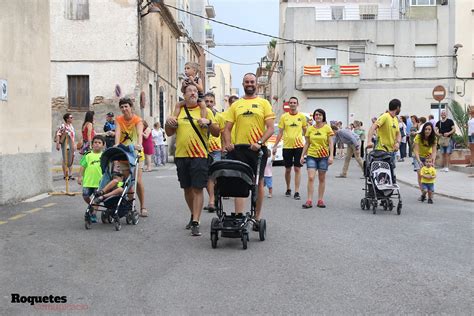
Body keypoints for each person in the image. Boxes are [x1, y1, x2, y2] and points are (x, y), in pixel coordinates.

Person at [165, 85, 219, 236]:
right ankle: (193, 214)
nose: (193, 93)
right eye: (190, 91)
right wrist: (168, 123)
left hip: (200, 155)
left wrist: (208, 123)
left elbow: (216, 132)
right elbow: (169, 133)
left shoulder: (206, 111)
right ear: (184, 94)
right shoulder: (179, 111)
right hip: (181, 155)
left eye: (195, 91)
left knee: (197, 188)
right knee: (187, 188)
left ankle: (196, 220)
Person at [223, 73, 275, 230]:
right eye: (247, 82)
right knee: (239, 182)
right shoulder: (235, 105)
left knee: (258, 183)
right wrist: (228, 143)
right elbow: (226, 129)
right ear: (243, 84)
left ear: (256, 84)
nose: (250, 84)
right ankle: (238, 217)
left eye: (252, 81)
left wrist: (259, 143)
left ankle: (257, 217)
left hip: (257, 150)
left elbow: (271, 128)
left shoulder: (263, 103)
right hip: (239, 149)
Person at [114, 97, 148, 217]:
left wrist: (139, 145)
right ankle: (130, 205)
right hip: (123, 153)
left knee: (138, 181)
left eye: (126, 106)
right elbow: (117, 133)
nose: (124, 109)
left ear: (131, 107)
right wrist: (116, 145)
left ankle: (143, 206)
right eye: (122, 107)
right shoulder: (118, 119)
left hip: (136, 153)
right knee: (128, 182)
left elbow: (139, 134)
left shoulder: (137, 120)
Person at [272, 96, 307, 200]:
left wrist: (309, 144)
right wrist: (275, 145)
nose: (292, 104)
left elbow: (306, 133)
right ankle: (288, 188)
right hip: (287, 146)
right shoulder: (284, 117)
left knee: (297, 168)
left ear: (297, 104)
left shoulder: (302, 117)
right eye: (291, 102)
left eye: (294, 102)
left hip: (299, 146)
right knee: (288, 169)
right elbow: (280, 133)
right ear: (289, 104)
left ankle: (297, 191)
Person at [300, 109, 334, 208]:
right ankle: (309, 200)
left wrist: (331, 156)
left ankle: (320, 200)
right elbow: (307, 143)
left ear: (323, 117)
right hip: (311, 156)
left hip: (323, 156)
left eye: (320, 115)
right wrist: (302, 155)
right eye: (316, 115)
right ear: (314, 117)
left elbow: (331, 143)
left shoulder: (327, 128)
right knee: (311, 177)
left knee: (321, 178)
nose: (318, 116)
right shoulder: (310, 128)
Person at [367, 99, 402, 184]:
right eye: (400, 108)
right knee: (381, 175)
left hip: (391, 151)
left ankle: (386, 194)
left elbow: (398, 133)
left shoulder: (395, 119)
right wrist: (369, 141)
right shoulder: (385, 116)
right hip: (381, 151)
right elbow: (373, 127)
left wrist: (397, 143)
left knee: (390, 175)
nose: (400, 109)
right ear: (397, 107)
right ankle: (379, 193)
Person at [203, 92, 225, 212]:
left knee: (214, 175)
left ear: (214, 102)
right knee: (207, 177)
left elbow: (222, 132)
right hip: (203, 150)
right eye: (206, 101)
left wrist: (223, 147)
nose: (209, 104)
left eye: (211, 101)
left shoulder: (219, 116)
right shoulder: (200, 114)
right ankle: (213, 198)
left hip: (216, 150)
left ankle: (212, 200)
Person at [78, 135, 105, 223]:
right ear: (92, 144)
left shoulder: (104, 155)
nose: (97, 144)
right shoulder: (88, 155)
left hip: (99, 182)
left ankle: (93, 214)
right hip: (88, 181)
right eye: (95, 142)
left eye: (99, 143)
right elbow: (82, 166)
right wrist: (80, 177)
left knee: (97, 199)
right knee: (85, 195)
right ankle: (92, 206)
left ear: (103, 145)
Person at [412, 122, 437, 200]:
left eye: (429, 129)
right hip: (418, 156)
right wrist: (419, 161)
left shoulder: (434, 138)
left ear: (431, 130)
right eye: (426, 129)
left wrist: (433, 161)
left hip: (427, 157)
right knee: (420, 173)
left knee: (429, 172)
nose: (427, 131)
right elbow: (415, 150)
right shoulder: (418, 136)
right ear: (423, 130)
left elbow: (434, 151)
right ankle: (423, 192)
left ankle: (427, 191)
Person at [55, 113, 76, 180]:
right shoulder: (63, 126)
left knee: (71, 158)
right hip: (66, 145)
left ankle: (70, 174)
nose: (72, 118)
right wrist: (58, 144)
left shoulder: (71, 126)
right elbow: (58, 134)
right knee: (65, 159)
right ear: (67, 119)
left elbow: (72, 136)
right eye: (71, 117)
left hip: (71, 145)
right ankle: (65, 175)